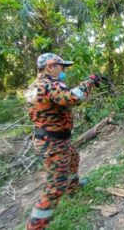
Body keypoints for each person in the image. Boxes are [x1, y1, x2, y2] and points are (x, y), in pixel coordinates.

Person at [24, 53, 104, 230]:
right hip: (53, 142)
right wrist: (90, 81)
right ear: (50, 66)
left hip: (54, 138)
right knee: (54, 188)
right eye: (62, 66)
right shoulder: (49, 84)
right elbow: (73, 97)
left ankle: (72, 188)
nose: (63, 70)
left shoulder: (35, 86)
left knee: (74, 158)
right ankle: (34, 226)